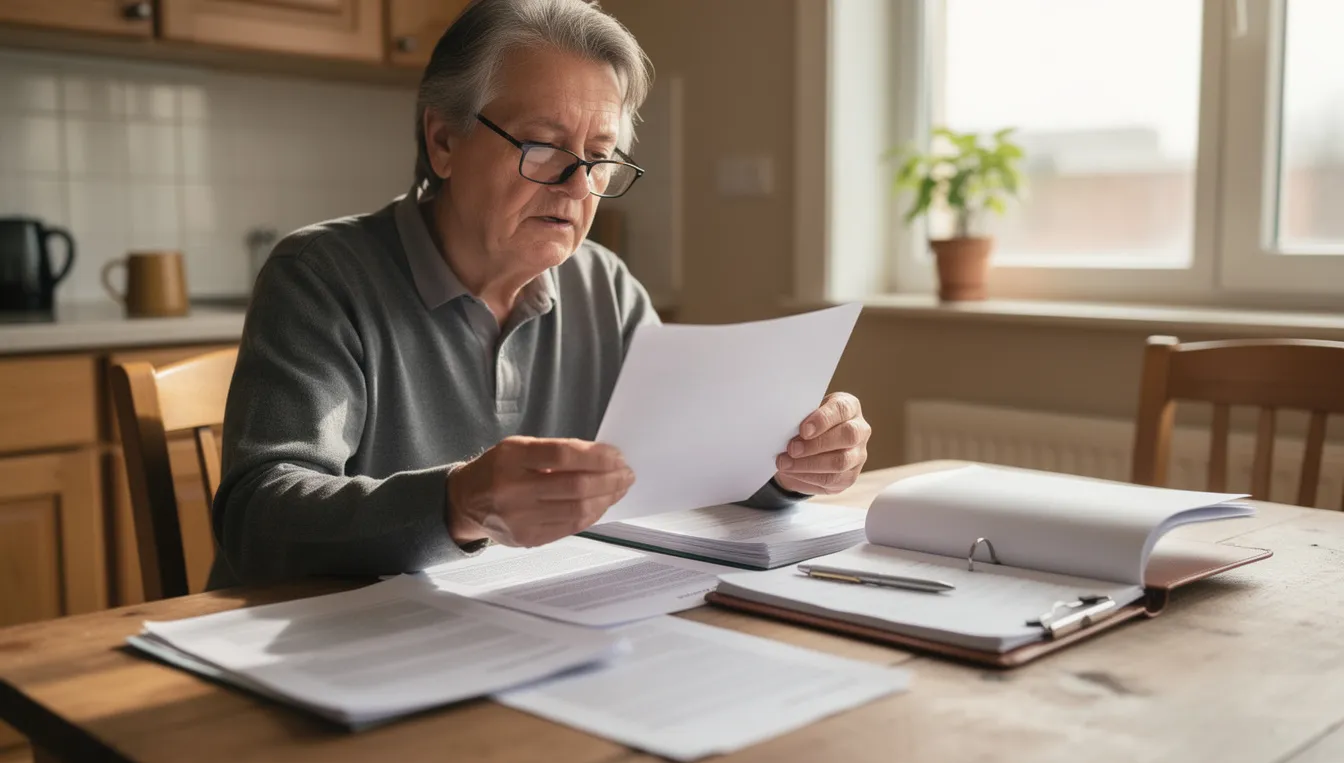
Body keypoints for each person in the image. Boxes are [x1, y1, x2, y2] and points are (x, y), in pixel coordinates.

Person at [207, 0, 872, 589]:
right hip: (330, 653)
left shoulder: (605, 285)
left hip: (532, 627)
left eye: (599, 155)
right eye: (544, 145)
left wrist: (789, 466)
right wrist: (457, 502)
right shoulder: (321, 274)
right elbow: (258, 516)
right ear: (443, 140)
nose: (578, 185)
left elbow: (686, 470)